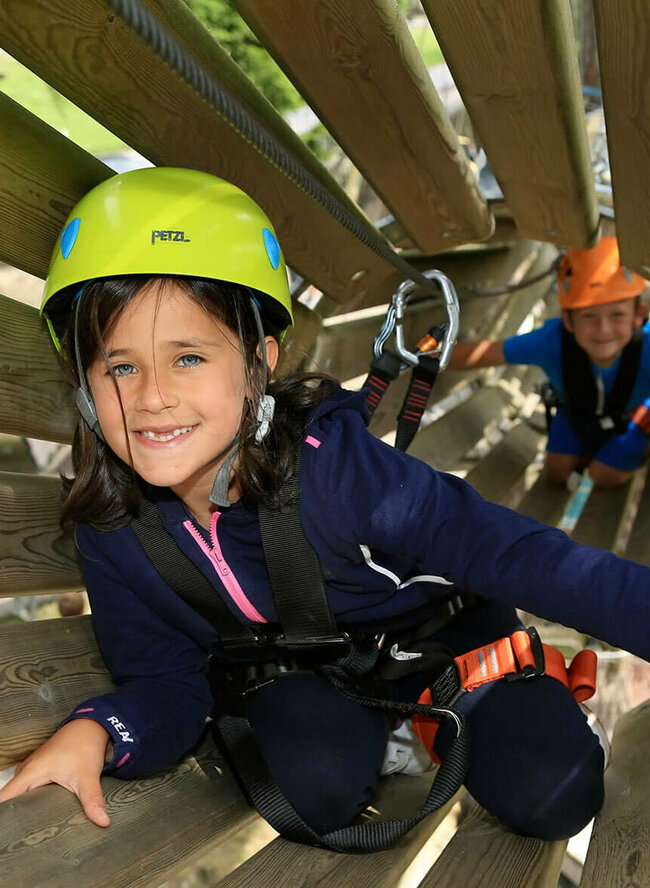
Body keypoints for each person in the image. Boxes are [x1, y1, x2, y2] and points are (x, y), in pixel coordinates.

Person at [0, 168, 648, 847]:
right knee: (314, 794)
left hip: (441, 640)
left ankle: (485, 712)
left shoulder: (335, 468)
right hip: (308, 670)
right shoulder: (116, 528)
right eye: (119, 367)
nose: (152, 396)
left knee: (554, 792)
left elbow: (514, 554)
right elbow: (162, 676)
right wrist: (100, 730)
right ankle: (399, 732)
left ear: (257, 364)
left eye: (188, 357)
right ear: (85, 386)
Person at [446, 237, 650, 487]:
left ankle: (618, 452)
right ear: (569, 320)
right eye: (588, 316)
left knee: (603, 476)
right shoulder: (551, 341)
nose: (603, 329)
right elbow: (485, 353)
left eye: (617, 315)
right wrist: (427, 354)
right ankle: (589, 453)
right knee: (557, 473)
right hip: (577, 411)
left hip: (632, 415)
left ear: (638, 316)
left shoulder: (647, 347)